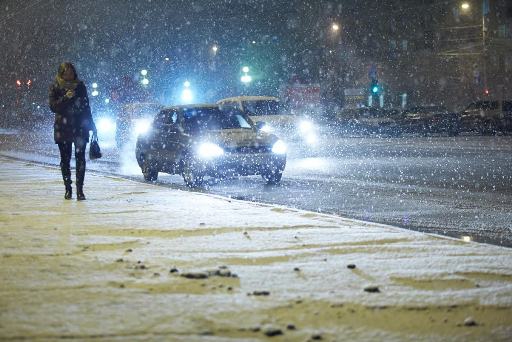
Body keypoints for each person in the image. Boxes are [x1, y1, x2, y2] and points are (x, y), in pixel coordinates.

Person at [49, 62, 96, 200]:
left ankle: (80, 190)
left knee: (80, 159)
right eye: (66, 73)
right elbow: (53, 107)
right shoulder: (55, 87)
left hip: (80, 127)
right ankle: (68, 189)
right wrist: (65, 98)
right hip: (63, 128)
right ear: (61, 74)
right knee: (65, 159)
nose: (69, 75)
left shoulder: (80, 86)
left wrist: (92, 125)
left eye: (71, 72)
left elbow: (86, 106)